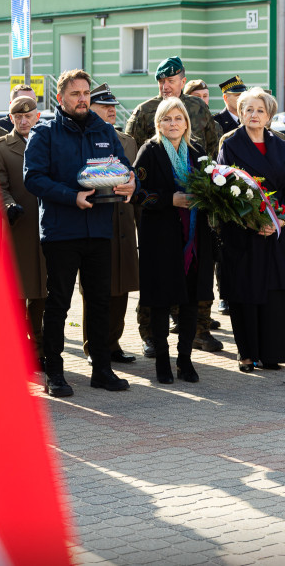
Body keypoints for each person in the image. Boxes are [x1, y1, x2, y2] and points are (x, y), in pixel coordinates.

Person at [23, 69, 135, 397]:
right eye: (75, 94)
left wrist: (132, 182)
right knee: (58, 303)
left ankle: (101, 370)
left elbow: (123, 167)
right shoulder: (44, 132)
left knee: (100, 301)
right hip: (62, 231)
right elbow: (33, 178)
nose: (82, 99)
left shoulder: (104, 130)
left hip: (99, 229)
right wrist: (72, 197)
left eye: (86, 93)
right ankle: (55, 373)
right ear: (61, 98)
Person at [125, 56, 223, 355]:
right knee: (157, 271)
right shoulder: (144, 111)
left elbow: (212, 150)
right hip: (158, 209)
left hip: (194, 208)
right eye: (161, 81)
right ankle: (150, 334)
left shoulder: (199, 109)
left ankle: (198, 330)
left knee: (195, 268)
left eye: (171, 80)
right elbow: (132, 158)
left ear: (183, 80)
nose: (165, 86)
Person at [216, 88, 285, 372]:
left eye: (260, 110)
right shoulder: (231, 144)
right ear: (241, 113)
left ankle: (271, 352)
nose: (254, 115)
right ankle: (246, 353)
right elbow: (223, 186)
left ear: (269, 115)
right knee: (245, 290)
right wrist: (252, 219)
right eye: (248, 110)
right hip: (243, 231)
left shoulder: (280, 145)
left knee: (273, 291)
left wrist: (281, 218)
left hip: (274, 231)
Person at [133, 97, 215, 383]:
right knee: (160, 302)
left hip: (194, 236)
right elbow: (137, 192)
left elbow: (210, 187)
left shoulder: (197, 151)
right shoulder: (150, 150)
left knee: (190, 301)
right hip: (161, 238)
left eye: (178, 118)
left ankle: (185, 361)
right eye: (167, 119)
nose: (173, 124)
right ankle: (163, 364)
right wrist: (170, 200)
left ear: (186, 123)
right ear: (158, 123)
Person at [0, 95, 47, 371]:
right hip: (16, 230)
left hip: (47, 228)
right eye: (18, 117)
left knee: (43, 293)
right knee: (17, 293)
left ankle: (40, 348)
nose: (24, 121)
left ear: (37, 116)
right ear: (11, 118)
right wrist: (8, 206)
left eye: (28, 115)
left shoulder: (47, 142)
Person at [79, 83, 138, 365]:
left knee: (121, 285)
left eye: (113, 106)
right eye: (104, 106)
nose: (111, 111)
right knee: (95, 288)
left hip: (123, 222)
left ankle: (113, 343)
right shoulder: (85, 138)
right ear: (90, 108)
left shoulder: (128, 141)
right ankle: (93, 346)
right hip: (95, 220)